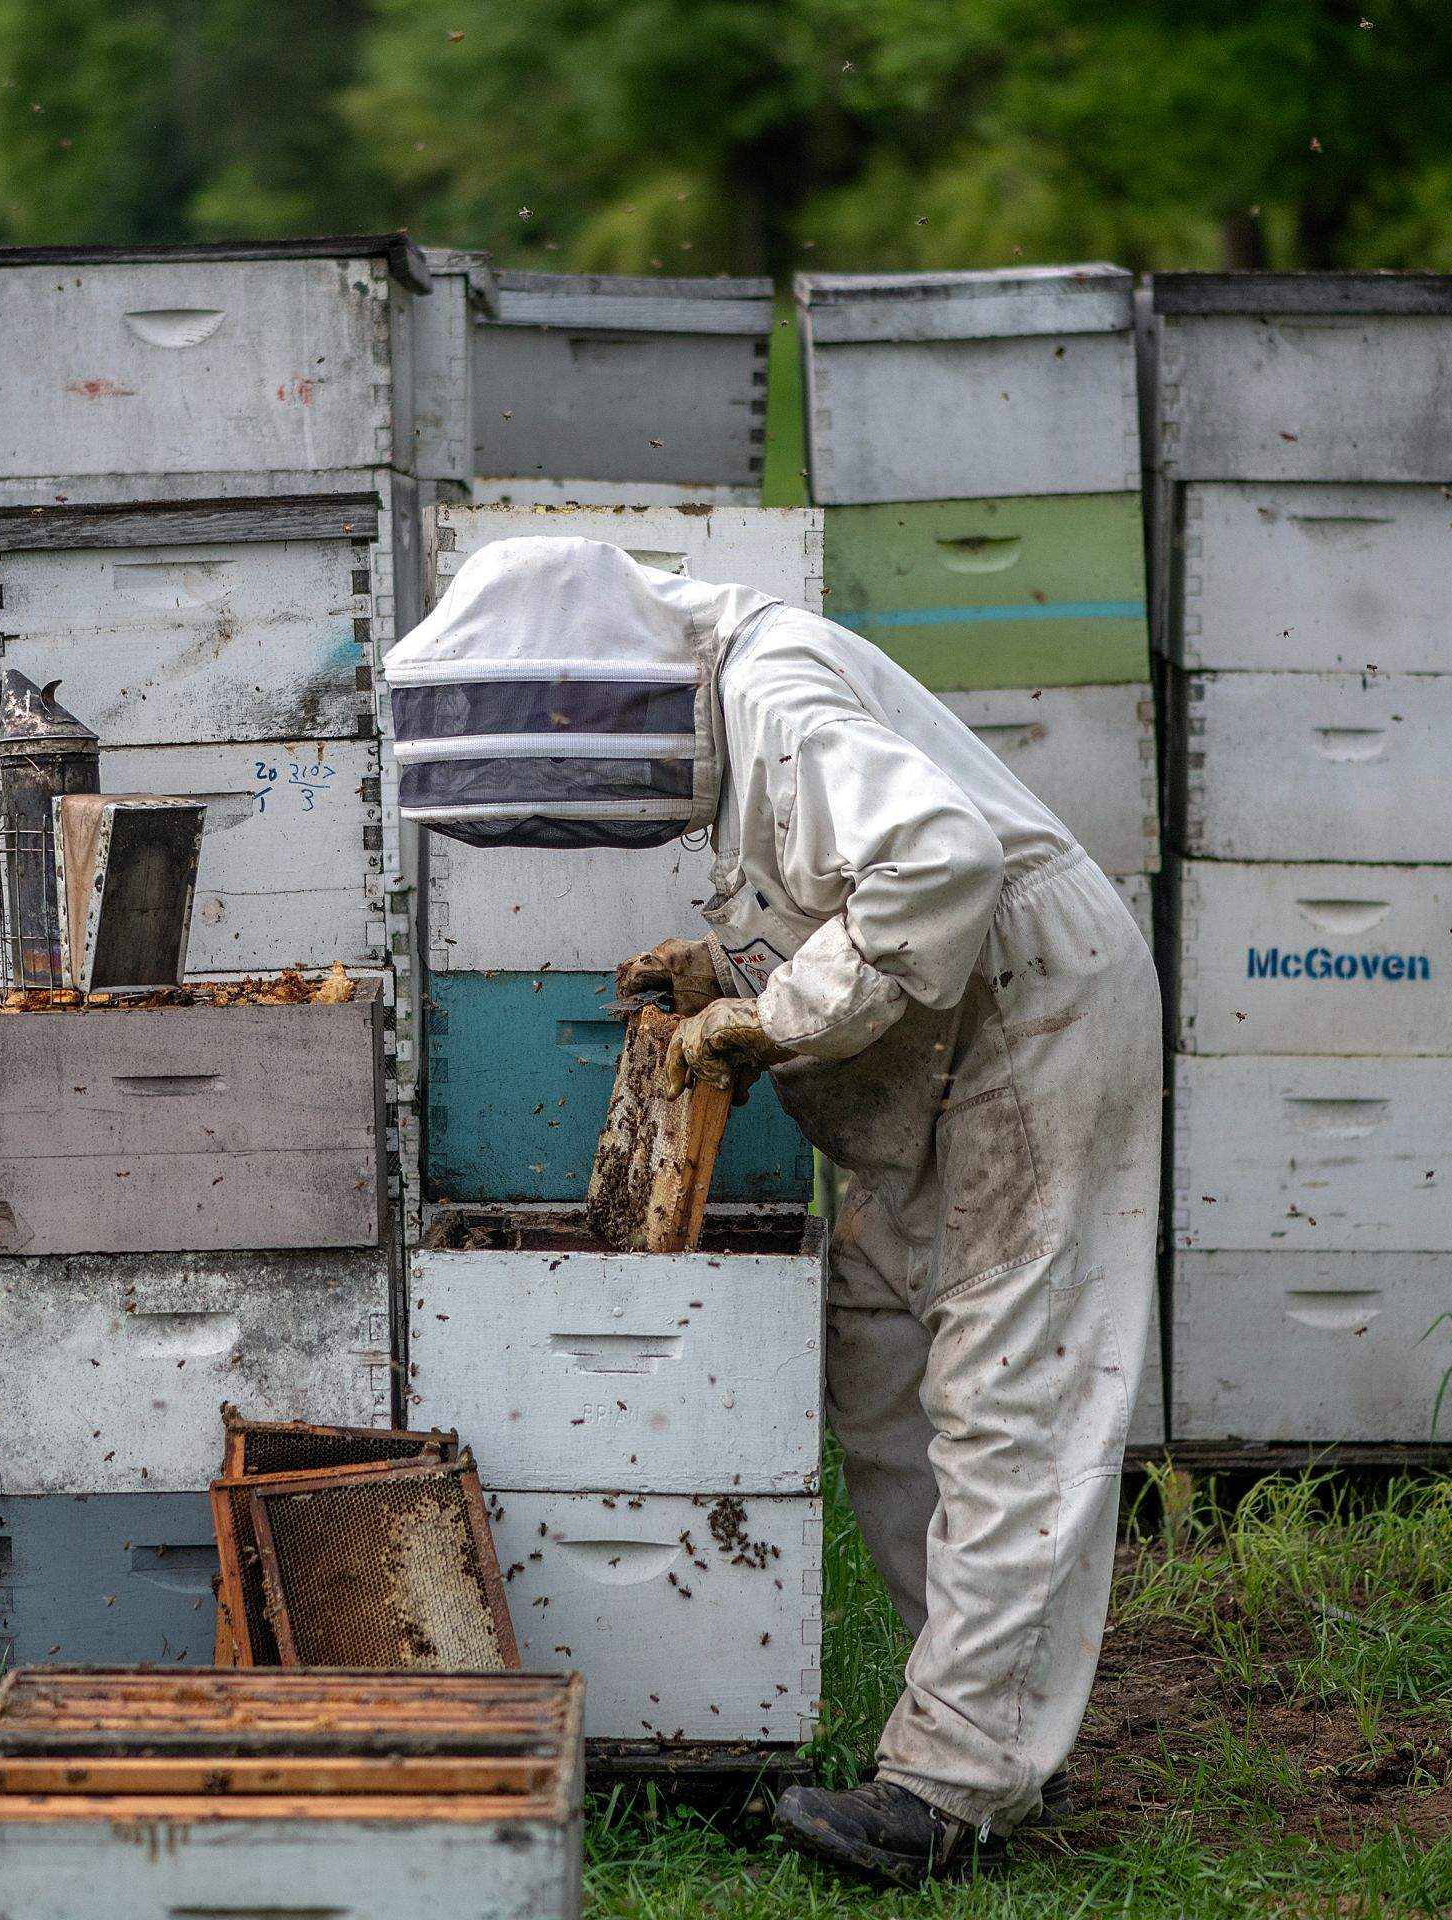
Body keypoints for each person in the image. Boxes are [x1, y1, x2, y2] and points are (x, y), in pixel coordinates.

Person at [381, 537, 1160, 1888]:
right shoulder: (742, 701)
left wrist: (771, 1012)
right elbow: (845, 890)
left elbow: (936, 869)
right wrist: (730, 966)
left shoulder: (776, 695)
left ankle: (952, 1785)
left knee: (1000, 1390)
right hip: (946, 1043)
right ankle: (996, 1723)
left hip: (1027, 1025)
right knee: (882, 1369)